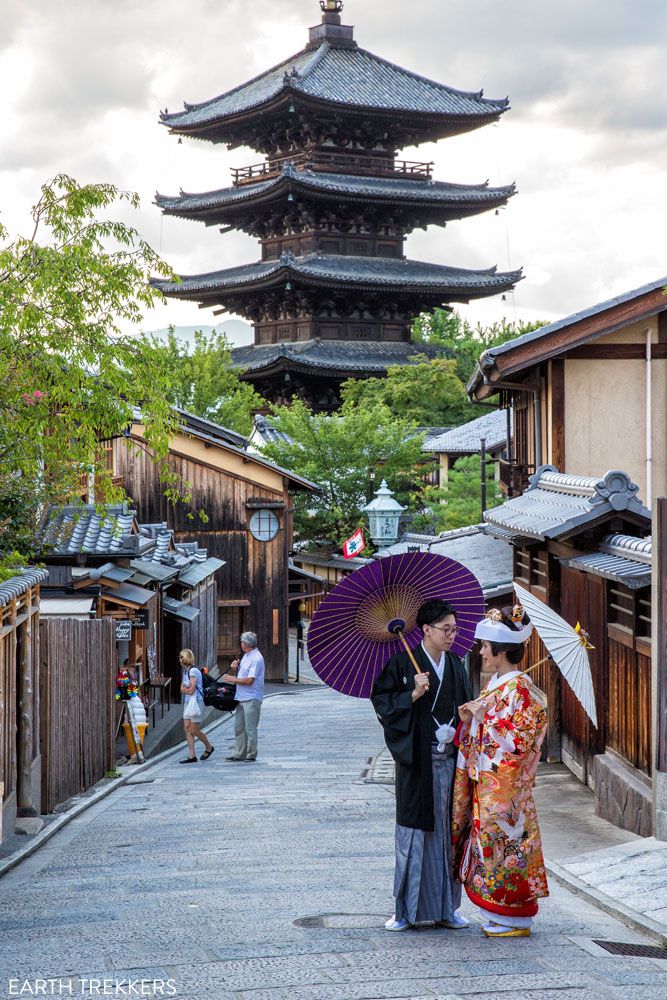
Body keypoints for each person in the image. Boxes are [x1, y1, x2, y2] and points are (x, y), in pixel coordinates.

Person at [370, 599, 473, 932]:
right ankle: (405, 911)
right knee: (414, 835)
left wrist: (461, 725)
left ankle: (448, 908)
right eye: (446, 629)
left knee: (449, 835)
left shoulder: (457, 665)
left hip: (451, 760)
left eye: (455, 629)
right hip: (418, 762)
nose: (452, 635)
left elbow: (465, 706)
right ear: (426, 630)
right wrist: (411, 695)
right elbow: (383, 704)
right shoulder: (402, 664)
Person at [451, 605, 549, 938]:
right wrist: (471, 719)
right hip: (489, 785)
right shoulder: (497, 685)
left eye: (485, 647)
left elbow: (521, 740)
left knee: (508, 850)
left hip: (506, 792)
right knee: (490, 849)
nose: (481, 652)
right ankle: (498, 912)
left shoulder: (520, 690)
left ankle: (515, 917)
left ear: (502, 652)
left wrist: (485, 718)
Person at [221, 631, 265, 762]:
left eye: (241, 642)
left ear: (245, 644)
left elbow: (250, 680)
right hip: (241, 697)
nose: (241, 644)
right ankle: (239, 753)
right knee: (239, 727)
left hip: (252, 697)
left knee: (250, 728)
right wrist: (236, 668)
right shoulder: (246, 656)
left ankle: (251, 754)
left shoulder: (257, 658)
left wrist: (232, 679)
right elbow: (243, 675)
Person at [179, 649, 214, 764]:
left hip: (197, 702)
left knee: (194, 729)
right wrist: (185, 690)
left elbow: (190, 690)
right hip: (188, 702)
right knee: (187, 728)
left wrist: (185, 690)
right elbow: (182, 689)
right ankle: (191, 755)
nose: (179, 659)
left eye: (181, 657)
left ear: (185, 658)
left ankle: (209, 747)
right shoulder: (186, 671)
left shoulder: (193, 671)